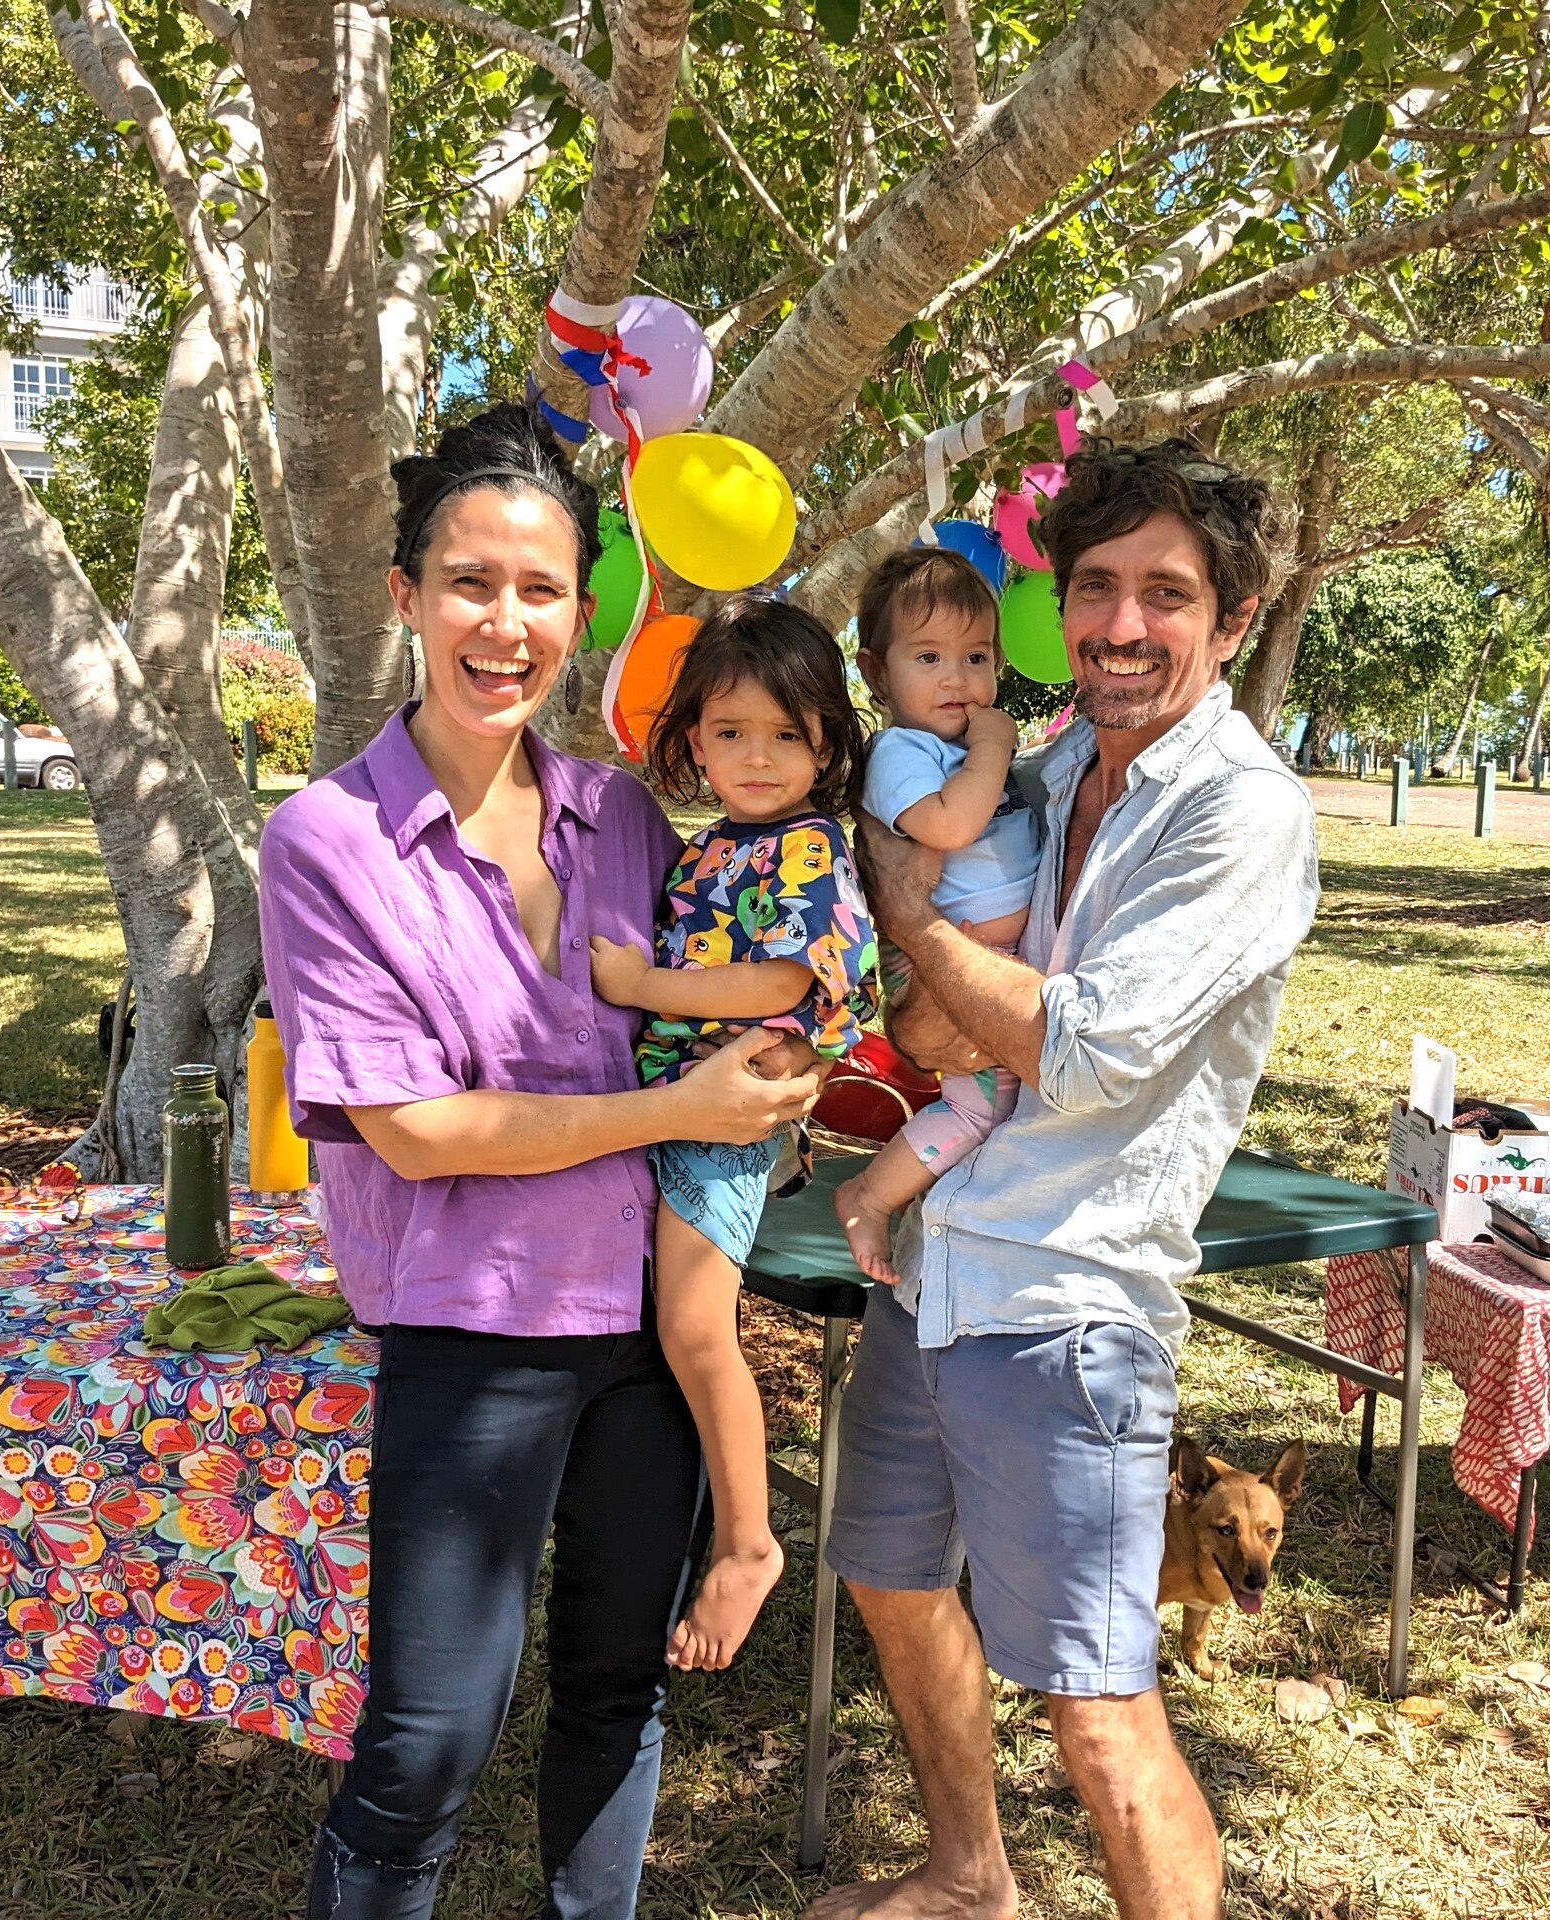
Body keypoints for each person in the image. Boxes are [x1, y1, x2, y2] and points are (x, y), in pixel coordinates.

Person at [256, 402, 824, 1920]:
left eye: (540, 592)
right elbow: (418, 1130)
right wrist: (680, 1114)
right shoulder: (327, 841)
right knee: (430, 1743)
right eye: (468, 582)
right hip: (474, 1334)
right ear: (406, 595)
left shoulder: (624, 814)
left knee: (615, 1694)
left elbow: (774, 949)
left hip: (642, 1332)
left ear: (585, 612)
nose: (503, 624)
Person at [811, 439, 1320, 1920]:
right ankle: (974, 1882)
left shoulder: (1238, 809)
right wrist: (942, 965)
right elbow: (929, 1029)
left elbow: (1081, 1054)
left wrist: (916, 921)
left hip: (1069, 1300)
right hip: (944, 1258)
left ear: (1228, 622)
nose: (1120, 622)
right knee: (894, 1582)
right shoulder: (1036, 772)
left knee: (1098, 1706)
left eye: (1166, 593)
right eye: (1096, 585)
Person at [585, 595, 877, 1670]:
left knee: (700, 1331)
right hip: (688, 1111)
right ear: (692, 735)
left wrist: (642, 983)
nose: (755, 757)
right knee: (672, 1327)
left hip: (723, 1117)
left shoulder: (799, 847)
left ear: (827, 744)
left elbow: (784, 976)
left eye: (786, 735)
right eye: (728, 732)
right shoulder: (725, 842)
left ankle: (750, 1542)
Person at [831, 546, 1042, 1284]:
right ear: (878, 672)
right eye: (929, 656)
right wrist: (994, 745)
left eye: (976, 656)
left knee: (1006, 1115)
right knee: (977, 1112)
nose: (958, 678)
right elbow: (948, 828)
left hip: (993, 966)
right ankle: (868, 1195)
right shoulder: (901, 751)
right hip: (944, 973)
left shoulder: (951, 749)